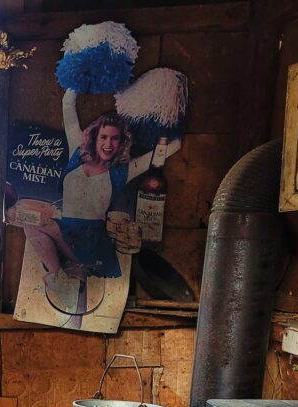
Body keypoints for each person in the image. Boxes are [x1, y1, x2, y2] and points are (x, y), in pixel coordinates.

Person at [22, 89, 180, 328]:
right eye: (104, 137)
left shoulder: (123, 171)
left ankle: (60, 282)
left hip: (91, 239)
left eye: (115, 139)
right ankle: (60, 281)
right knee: (32, 225)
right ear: (95, 137)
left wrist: (169, 114)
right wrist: (85, 71)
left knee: (77, 285)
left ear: (121, 143)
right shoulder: (77, 150)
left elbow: (173, 147)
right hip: (66, 228)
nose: (108, 143)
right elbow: (67, 105)